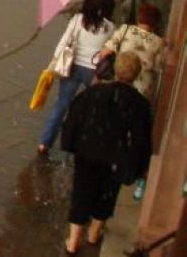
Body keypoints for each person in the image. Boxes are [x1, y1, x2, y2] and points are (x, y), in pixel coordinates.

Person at [60, 51, 152, 255]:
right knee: (107, 195)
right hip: (117, 159)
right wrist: (139, 167)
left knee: (81, 192)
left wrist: (69, 144)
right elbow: (141, 139)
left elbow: (73, 120)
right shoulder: (140, 105)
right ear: (136, 75)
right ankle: (94, 233)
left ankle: (73, 241)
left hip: (88, 152)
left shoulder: (93, 93)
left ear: (115, 70)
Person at [37, 0, 116, 156]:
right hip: (94, 72)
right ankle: (87, 144)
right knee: (93, 108)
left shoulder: (77, 20)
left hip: (71, 68)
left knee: (61, 105)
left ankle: (45, 143)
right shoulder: (110, 28)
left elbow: (63, 43)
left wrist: (54, 63)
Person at [98, 2, 165, 102]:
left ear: (140, 18)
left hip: (120, 79)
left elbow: (106, 51)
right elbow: (158, 67)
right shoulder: (159, 42)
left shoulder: (125, 30)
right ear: (155, 23)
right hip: (142, 87)